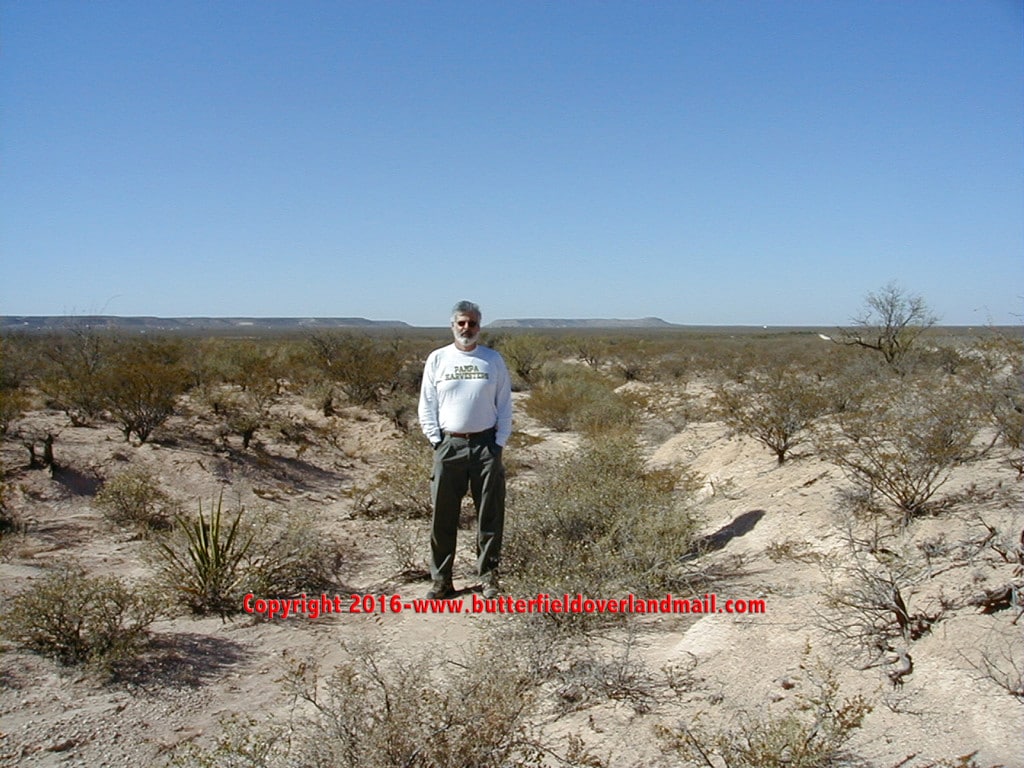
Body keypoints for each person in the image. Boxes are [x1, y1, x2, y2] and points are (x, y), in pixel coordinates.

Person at [418, 300, 513, 600]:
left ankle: (488, 577)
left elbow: (505, 405)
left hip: (486, 446)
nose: (466, 328)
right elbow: (426, 404)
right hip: (450, 446)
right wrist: (437, 440)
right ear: (452, 325)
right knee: (443, 517)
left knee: (490, 515)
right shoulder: (438, 359)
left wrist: (498, 444)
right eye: (461, 323)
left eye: (472, 323)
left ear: (479, 326)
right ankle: (442, 580)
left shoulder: (492, 360)